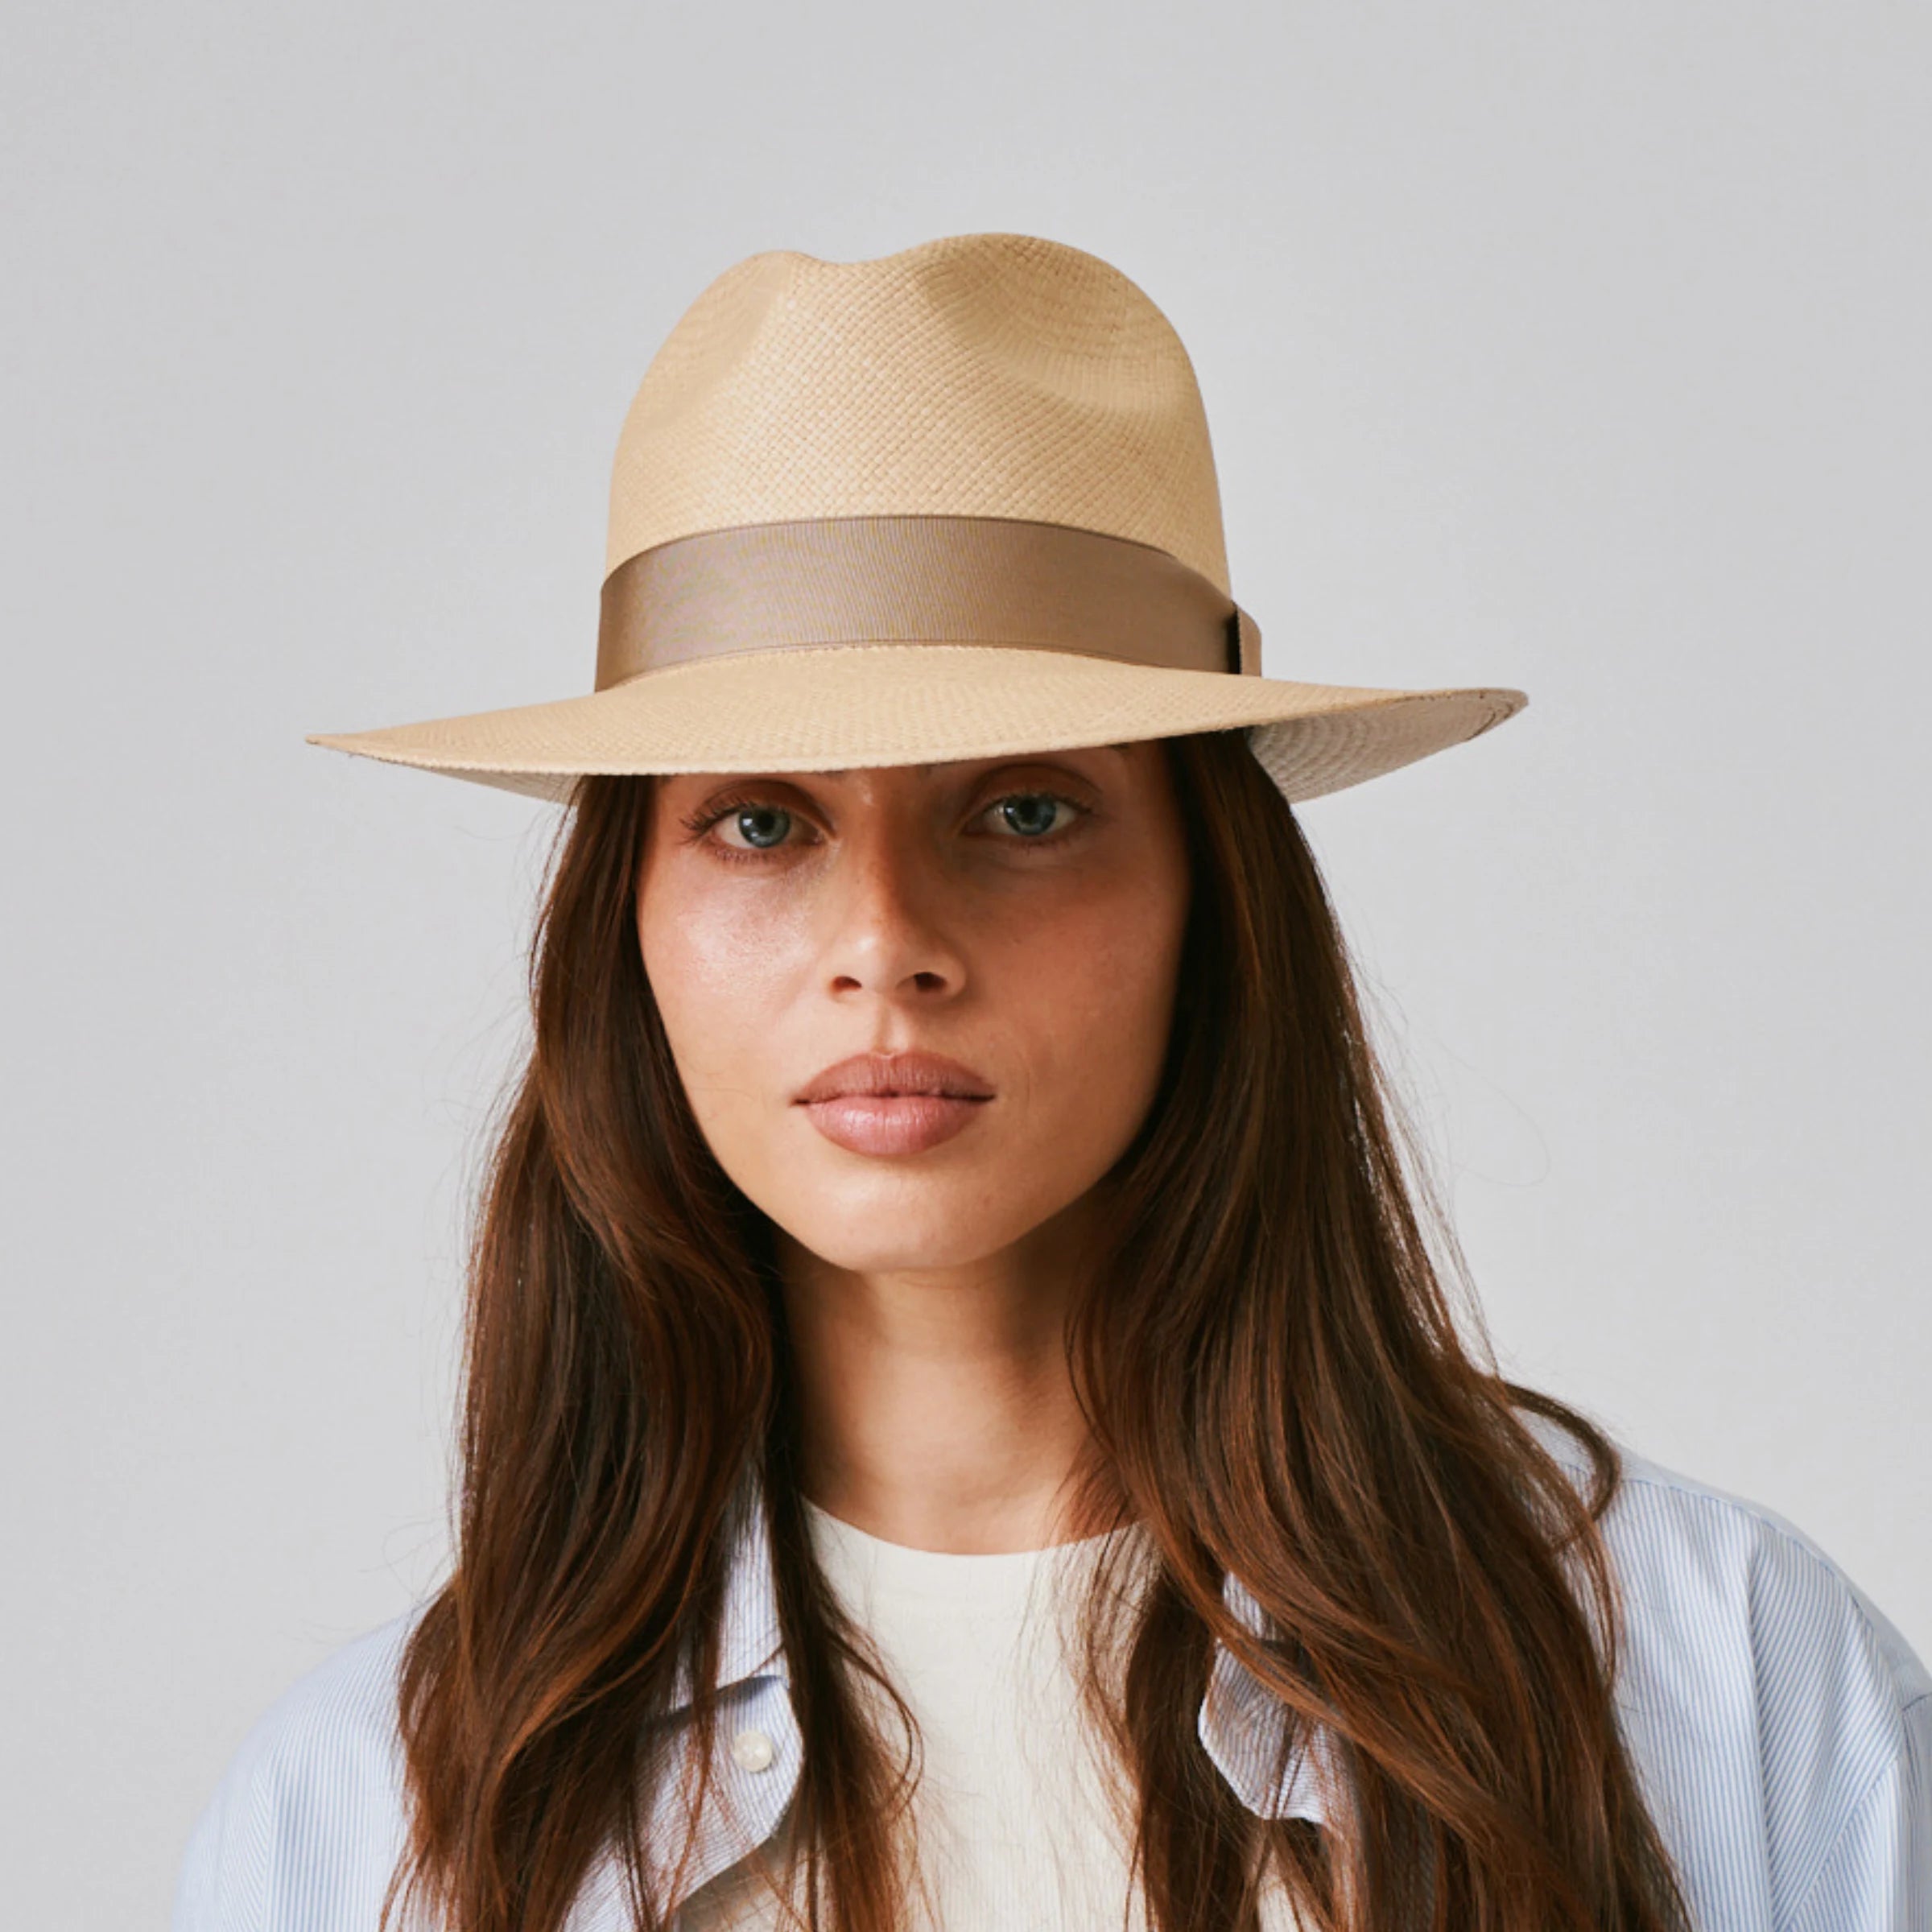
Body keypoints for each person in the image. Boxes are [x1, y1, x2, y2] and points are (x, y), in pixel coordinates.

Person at [172, 233, 1930, 1932]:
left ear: (1207, 895)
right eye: (761, 822)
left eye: (1022, 810)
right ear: (624, 924)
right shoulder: (375, 1813)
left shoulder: (1730, 1683)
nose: (887, 941)